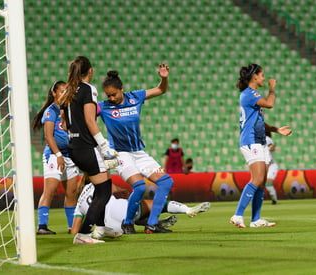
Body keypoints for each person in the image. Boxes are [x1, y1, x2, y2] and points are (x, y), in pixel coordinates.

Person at [98, 64, 174, 234]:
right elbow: (86, 114)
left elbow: (160, 90)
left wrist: (164, 78)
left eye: (114, 94)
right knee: (139, 187)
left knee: (166, 181)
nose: (111, 98)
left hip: (139, 152)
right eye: (108, 95)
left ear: (121, 89)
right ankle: (128, 222)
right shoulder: (103, 106)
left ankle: (152, 224)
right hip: (120, 154)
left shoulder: (135, 97)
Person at [58, 56, 120, 244]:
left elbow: (64, 123)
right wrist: (103, 145)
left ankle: (100, 228)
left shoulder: (67, 91)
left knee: (104, 184)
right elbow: (90, 120)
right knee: (104, 191)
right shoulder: (88, 89)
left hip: (74, 147)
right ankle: (83, 234)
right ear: (90, 71)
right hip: (87, 147)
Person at [230, 63, 292, 228]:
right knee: (256, 179)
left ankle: (256, 219)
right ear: (254, 77)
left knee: (262, 182)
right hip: (251, 141)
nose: (264, 78)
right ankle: (237, 215)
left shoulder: (251, 96)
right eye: (262, 75)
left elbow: (260, 123)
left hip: (260, 141)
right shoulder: (250, 94)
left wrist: (276, 129)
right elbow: (270, 103)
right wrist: (272, 89)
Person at [70, 182, 211, 237]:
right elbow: (119, 192)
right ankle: (187, 209)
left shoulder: (79, 204)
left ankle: (153, 223)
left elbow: (75, 231)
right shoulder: (97, 182)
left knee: (133, 219)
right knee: (156, 204)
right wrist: (124, 192)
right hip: (121, 209)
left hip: (111, 227)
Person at [31, 80, 79, 235]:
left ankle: (72, 227)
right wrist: (58, 155)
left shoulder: (70, 109)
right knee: (49, 191)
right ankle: (42, 226)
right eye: (61, 90)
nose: (65, 93)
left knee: (71, 194)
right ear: (54, 93)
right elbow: (48, 136)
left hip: (70, 157)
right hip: (53, 155)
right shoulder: (51, 111)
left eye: (67, 90)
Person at [265, 130, 278, 204]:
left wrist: (267, 149)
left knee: (268, 183)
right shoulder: (256, 141)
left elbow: (272, 148)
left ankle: (274, 200)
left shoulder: (267, 139)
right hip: (263, 166)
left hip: (271, 165)